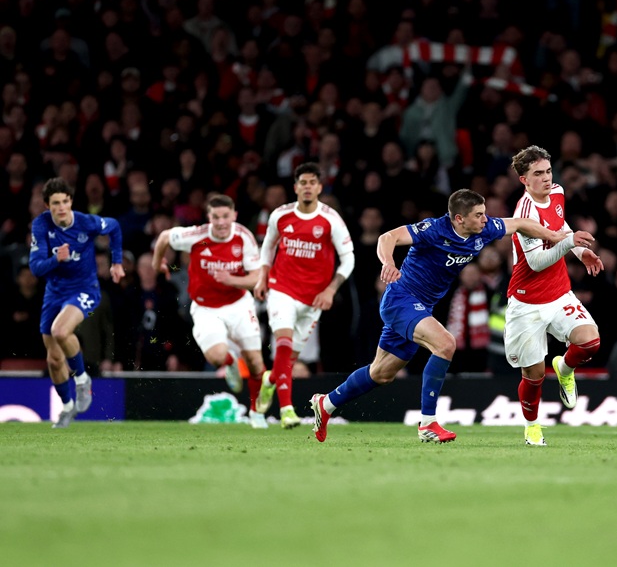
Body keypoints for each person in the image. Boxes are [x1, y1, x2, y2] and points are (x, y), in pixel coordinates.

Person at [309, 188, 593, 444]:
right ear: (459, 218)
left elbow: (519, 224)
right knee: (445, 343)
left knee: (380, 373)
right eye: (479, 215)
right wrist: (388, 263)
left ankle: (327, 404)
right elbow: (388, 237)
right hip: (401, 300)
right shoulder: (433, 229)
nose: (486, 219)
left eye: (485, 214)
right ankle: (428, 424)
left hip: (421, 307)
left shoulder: (484, 229)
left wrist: (557, 236)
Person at [506, 145, 605, 446]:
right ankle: (533, 427)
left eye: (548, 171)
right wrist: (569, 243)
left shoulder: (558, 192)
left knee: (591, 341)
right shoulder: (524, 214)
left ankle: (564, 367)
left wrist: (580, 250)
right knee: (534, 374)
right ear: (524, 180)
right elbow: (535, 262)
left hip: (559, 293)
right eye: (538, 174)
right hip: (527, 301)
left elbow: (560, 226)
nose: (546, 178)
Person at [152, 194, 269, 429]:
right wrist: (158, 263)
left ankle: (257, 414)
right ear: (209, 217)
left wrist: (231, 279)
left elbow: (257, 278)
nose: (221, 222)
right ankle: (230, 362)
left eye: (226, 216)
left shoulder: (243, 237)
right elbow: (164, 237)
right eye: (216, 217)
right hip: (206, 308)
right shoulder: (197, 235)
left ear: (234, 215)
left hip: (238, 304)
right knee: (216, 356)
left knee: (256, 364)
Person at [254, 162, 355, 429]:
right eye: (303, 182)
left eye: (312, 182)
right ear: (295, 187)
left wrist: (330, 289)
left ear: (319, 187)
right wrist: (263, 276)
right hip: (282, 289)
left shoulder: (331, 219)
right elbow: (267, 248)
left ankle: (270, 380)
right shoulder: (280, 215)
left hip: (313, 299)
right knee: (284, 346)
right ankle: (287, 410)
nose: (307, 187)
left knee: (289, 359)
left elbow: (348, 259)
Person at [29, 177, 124, 428]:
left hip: (85, 289)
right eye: (55, 203)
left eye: (65, 201)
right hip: (54, 292)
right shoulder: (41, 226)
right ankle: (68, 407)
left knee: (60, 331)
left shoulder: (85, 222)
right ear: (47, 206)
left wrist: (116, 262)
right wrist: (55, 260)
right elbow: (36, 267)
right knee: (54, 360)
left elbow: (113, 226)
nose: (61, 207)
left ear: (71, 201)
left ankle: (83, 380)